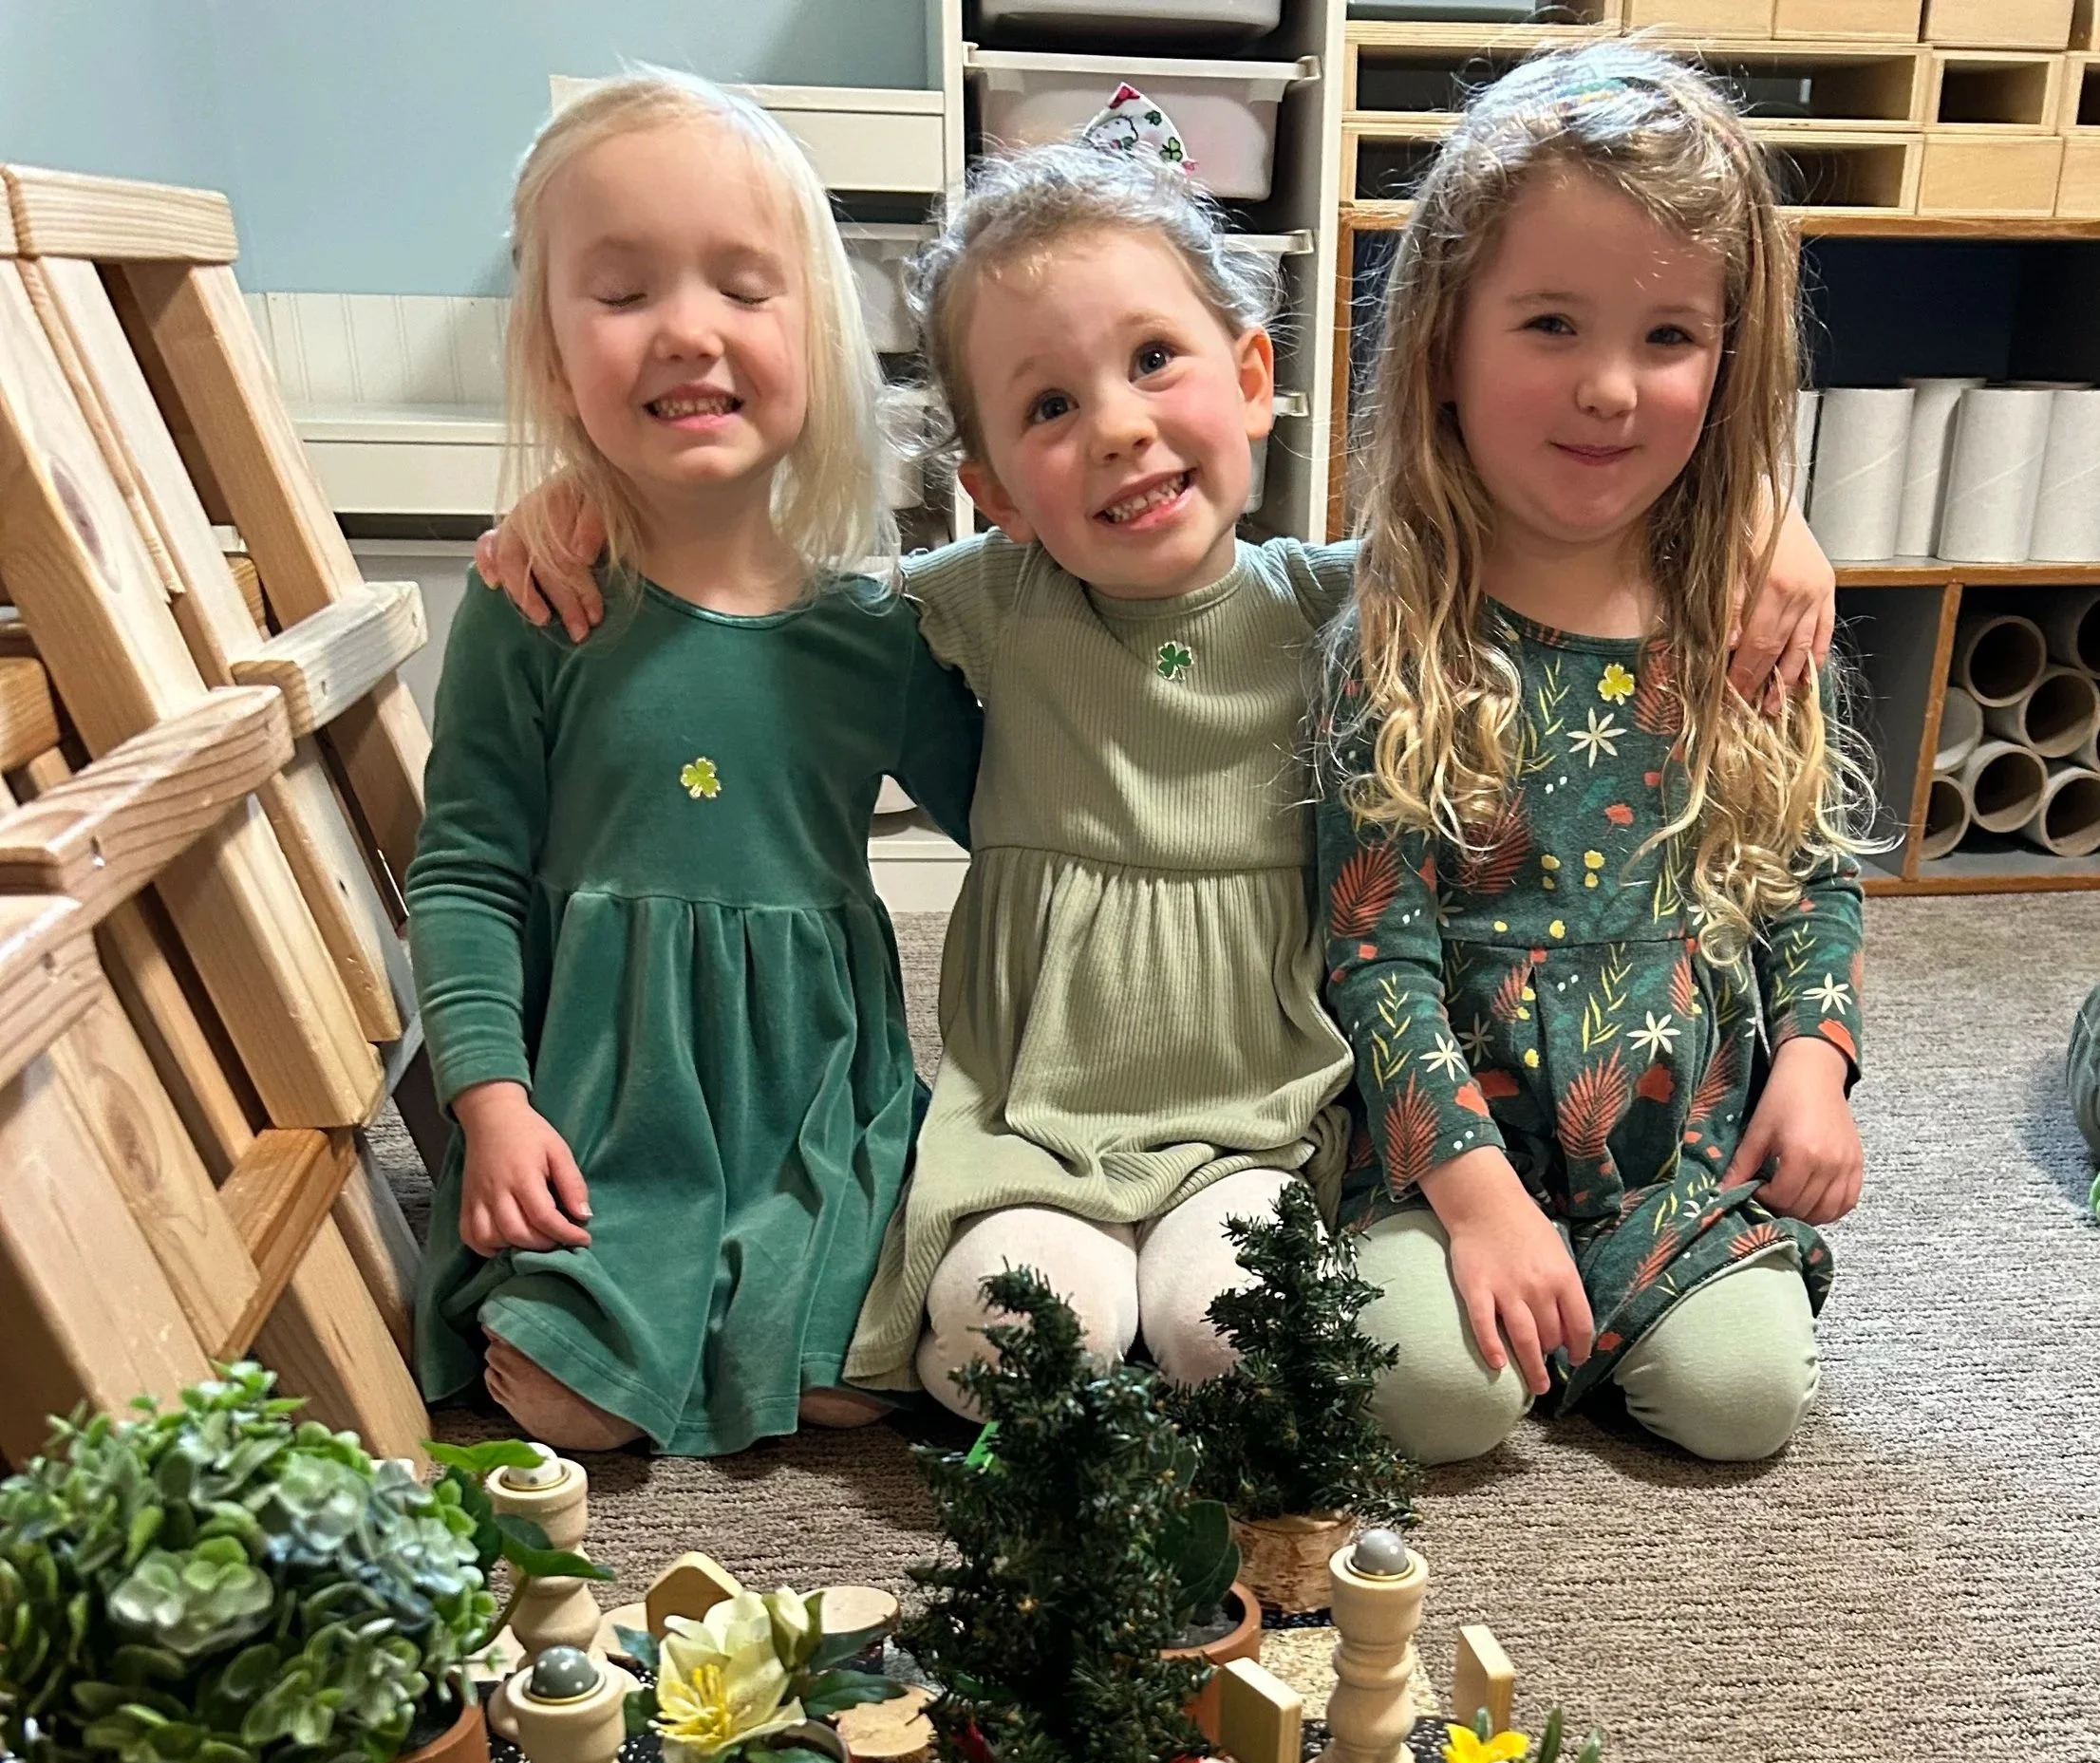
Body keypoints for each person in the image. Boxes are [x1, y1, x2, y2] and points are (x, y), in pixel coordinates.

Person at [482, 123, 1839, 1419]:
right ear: (997, 489)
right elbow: (776, 603)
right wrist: (598, 501)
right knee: (1010, 1351)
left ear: (1253, 379)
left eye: (1153, 362)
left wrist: (1764, 520)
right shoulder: (991, 601)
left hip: (1256, 1127)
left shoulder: (1346, 604)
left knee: (1244, 1341)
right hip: (1030, 1123)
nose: (1120, 428)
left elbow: (1561, 534)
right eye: (1052, 407)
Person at [408, 71, 981, 1455]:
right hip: (610, 1106)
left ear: (822, 337)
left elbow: (1021, 816)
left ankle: (776, 1300)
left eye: (742, 287)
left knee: (911, 1358)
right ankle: (671, 1304)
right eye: (622, 296)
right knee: (571, 1399)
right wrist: (489, 1103)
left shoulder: (882, 628)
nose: (686, 332)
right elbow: (466, 868)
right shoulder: (538, 603)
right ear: (552, 360)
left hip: (818, 1106)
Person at [1320, 45, 1867, 1465]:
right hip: (1446, 1149)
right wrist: (1480, 1199)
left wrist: (1813, 1060)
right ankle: (1513, 1276)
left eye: (1670, 339)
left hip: (1675, 1160)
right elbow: (1376, 955)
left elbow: (1809, 879)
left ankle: (1628, 1301)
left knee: (1746, 1404)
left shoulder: (1742, 605)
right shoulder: (1400, 622)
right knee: (1435, 1399)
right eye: (1551, 324)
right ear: (1446, 340)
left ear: (1731, 360)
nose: (1611, 389)